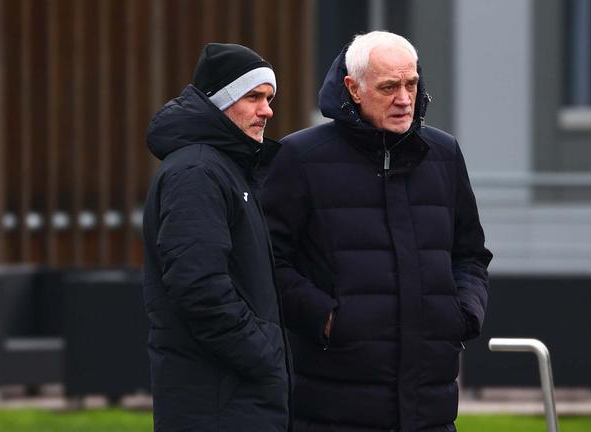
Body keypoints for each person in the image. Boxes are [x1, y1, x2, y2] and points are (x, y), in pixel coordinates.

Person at [260, 31, 492, 432]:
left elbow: (470, 254)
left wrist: (462, 313)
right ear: (353, 88)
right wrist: (327, 319)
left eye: (412, 83)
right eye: (389, 87)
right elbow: (268, 260)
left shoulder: (444, 154)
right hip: (331, 404)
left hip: (430, 407)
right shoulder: (300, 158)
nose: (405, 99)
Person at [142, 43, 289, 432]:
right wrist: (263, 354)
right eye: (254, 97)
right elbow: (199, 287)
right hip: (218, 402)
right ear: (220, 102)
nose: (267, 110)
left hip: (233, 398)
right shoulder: (198, 172)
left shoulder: (226, 168)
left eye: (269, 98)